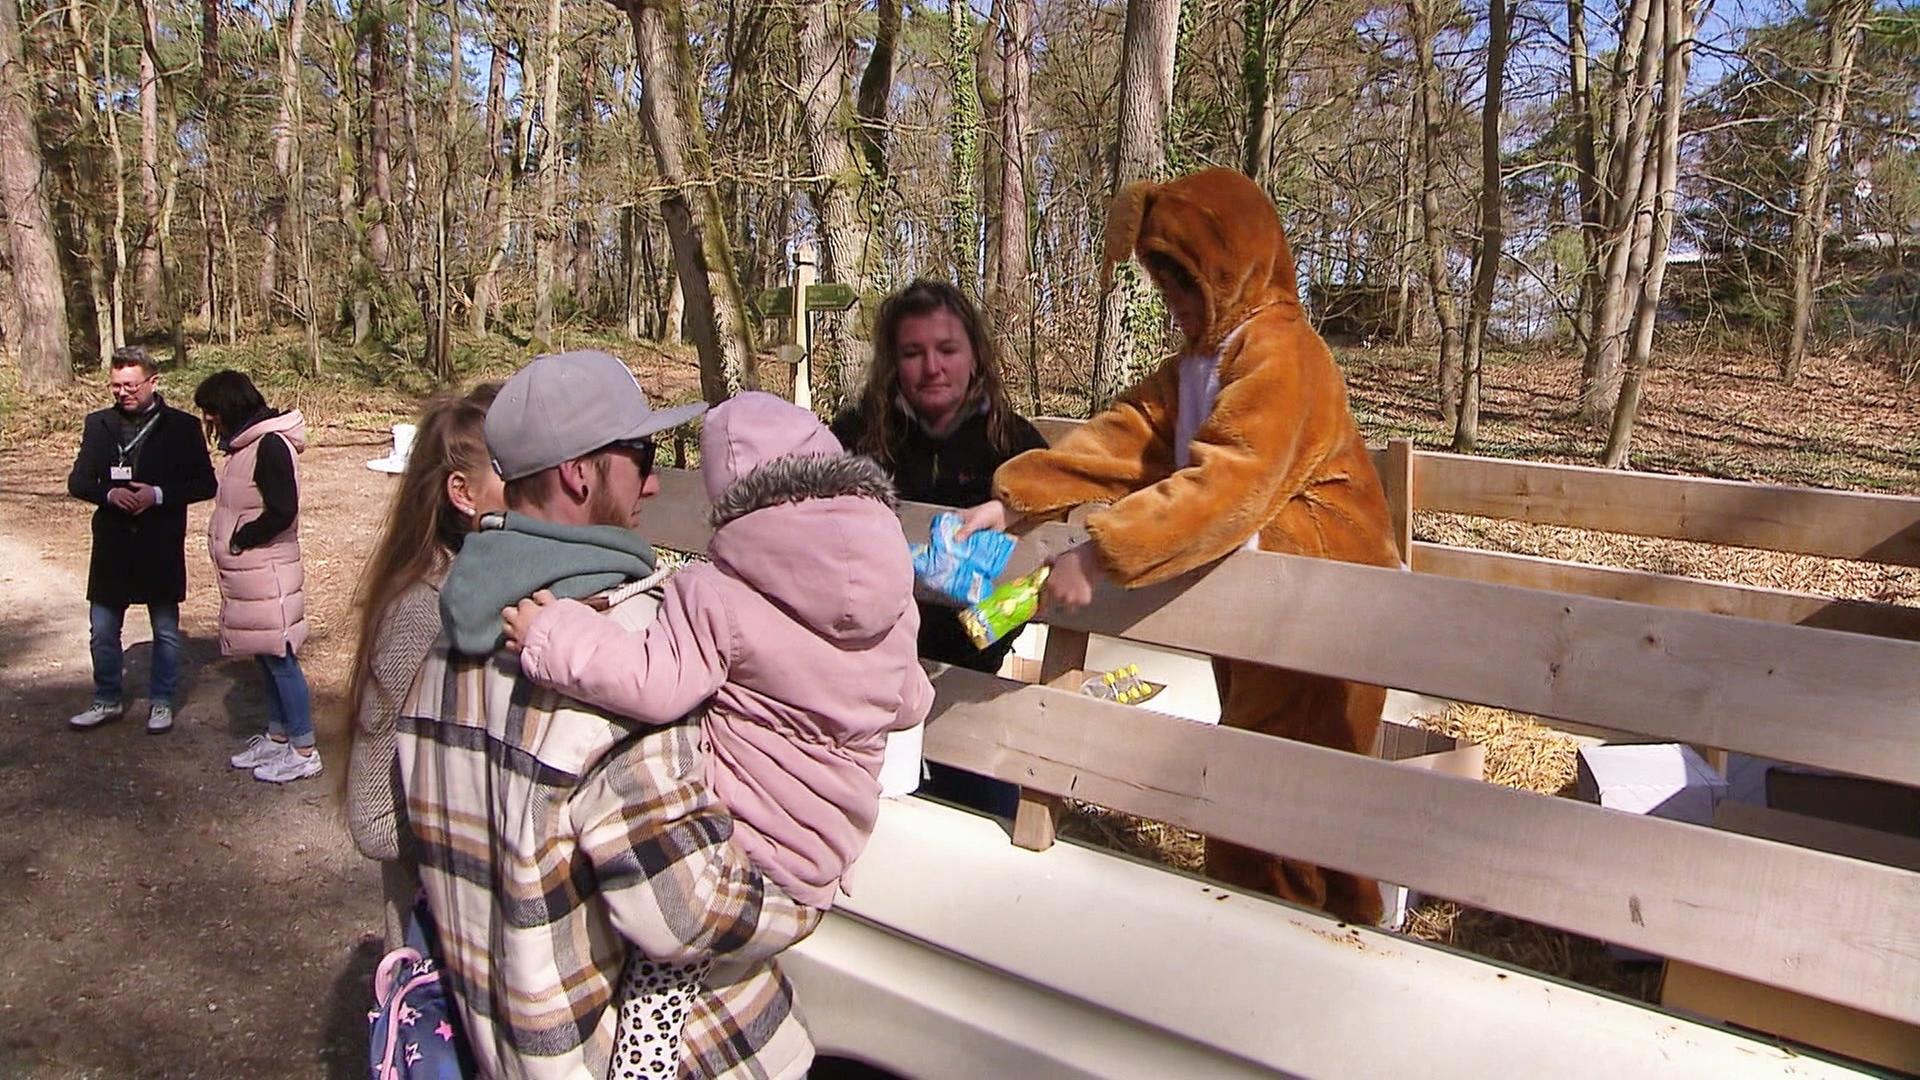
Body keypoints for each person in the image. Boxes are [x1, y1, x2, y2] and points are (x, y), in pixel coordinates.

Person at [963, 168, 1405, 926]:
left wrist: (1099, 550)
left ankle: (1282, 938)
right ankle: (1300, 929)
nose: (1175, 304)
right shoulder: (1201, 361)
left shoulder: (1280, 353)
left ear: (1237, 268)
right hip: (1256, 597)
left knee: (1283, 788)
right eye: (1165, 286)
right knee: (1270, 778)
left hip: (1324, 599)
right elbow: (1127, 435)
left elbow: (1229, 484)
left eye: (1187, 285)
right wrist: (1012, 497)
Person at [397, 351, 819, 1079]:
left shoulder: (444, 641)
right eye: (642, 455)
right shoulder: (619, 659)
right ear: (579, 473)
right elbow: (685, 912)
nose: (654, 480)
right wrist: (805, 894)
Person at [504, 390, 933, 913]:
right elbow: (911, 701)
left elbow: (651, 681)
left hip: (744, 842)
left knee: (630, 938)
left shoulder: (716, 594)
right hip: (834, 847)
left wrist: (551, 631)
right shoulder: (895, 600)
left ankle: (658, 993)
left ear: (731, 500)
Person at [830, 279, 1048, 816]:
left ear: (975, 355)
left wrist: (989, 626)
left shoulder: (1013, 445)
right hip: (861, 681)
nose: (933, 368)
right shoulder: (855, 435)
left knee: (988, 814)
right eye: (913, 353)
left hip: (970, 682)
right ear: (893, 363)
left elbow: (1058, 536)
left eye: (947, 350)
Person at [343, 383, 503, 949]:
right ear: (463, 492)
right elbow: (372, 813)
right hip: (439, 929)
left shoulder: (496, 587)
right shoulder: (422, 607)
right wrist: (462, 847)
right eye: (517, 472)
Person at [66, 347, 218, 735]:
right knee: (102, 629)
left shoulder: (182, 427)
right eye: (116, 386)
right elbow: (79, 481)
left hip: (160, 541)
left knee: (165, 630)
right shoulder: (98, 424)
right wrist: (108, 495)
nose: (123, 393)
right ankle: (107, 698)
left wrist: (158, 494)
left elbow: (204, 483)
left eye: (131, 385)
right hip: (113, 543)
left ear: (153, 382)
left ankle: (162, 701)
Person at [194, 370, 321, 784]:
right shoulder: (243, 447)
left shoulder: (269, 446)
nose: (209, 422)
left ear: (228, 407)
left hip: (267, 570)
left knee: (281, 658)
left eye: (211, 413)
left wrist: (241, 538)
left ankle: (304, 749)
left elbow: (283, 509)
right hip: (248, 573)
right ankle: (278, 735)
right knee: (264, 656)